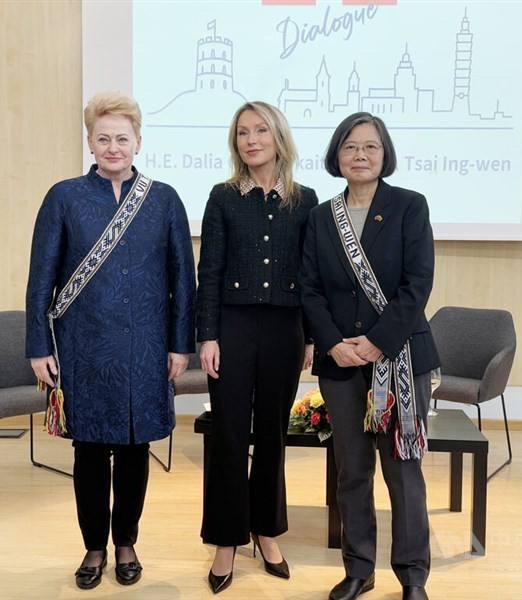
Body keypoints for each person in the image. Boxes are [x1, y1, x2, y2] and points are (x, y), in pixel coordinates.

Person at [25, 92, 195, 590]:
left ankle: (127, 542)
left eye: (123, 138)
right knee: (91, 451)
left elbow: (183, 278)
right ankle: (94, 547)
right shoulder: (65, 197)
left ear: (138, 141)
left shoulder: (163, 199)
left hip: (146, 346)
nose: (113, 146)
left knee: (137, 446)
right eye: (104, 138)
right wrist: (40, 346)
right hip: (84, 345)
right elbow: (41, 278)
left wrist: (178, 344)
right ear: (90, 142)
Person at [300, 112, 440, 600]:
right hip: (341, 363)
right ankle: (359, 567)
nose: (360, 155)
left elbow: (417, 283)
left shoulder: (409, 207)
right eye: (351, 147)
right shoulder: (320, 216)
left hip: (397, 357)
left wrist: (377, 341)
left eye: (371, 147)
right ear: (337, 155)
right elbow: (310, 289)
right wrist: (335, 342)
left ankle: (412, 575)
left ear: (385, 155)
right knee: (351, 470)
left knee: (403, 469)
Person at [196, 101, 318, 593]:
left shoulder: (306, 200)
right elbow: (210, 273)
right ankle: (226, 540)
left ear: (277, 137)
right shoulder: (223, 197)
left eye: (260, 130)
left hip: (285, 330)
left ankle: (266, 531)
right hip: (232, 326)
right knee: (227, 433)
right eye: (242, 132)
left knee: (272, 434)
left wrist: (309, 335)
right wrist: (207, 335)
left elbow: (311, 276)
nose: (250, 139)